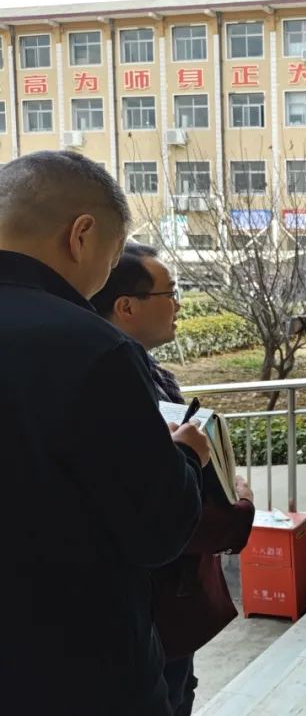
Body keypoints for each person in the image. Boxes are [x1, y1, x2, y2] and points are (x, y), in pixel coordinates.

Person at [0, 151, 210, 715]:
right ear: (82, 235)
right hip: (78, 665)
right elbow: (158, 529)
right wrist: (185, 459)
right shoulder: (90, 346)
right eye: (114, 253)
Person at [91, 243, 256, 716]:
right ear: (127, 306)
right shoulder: (116, 387)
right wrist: (237, 508)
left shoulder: (149, 372)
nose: (179, 305)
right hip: (154, 595)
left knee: (180, 687)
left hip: (174, 596)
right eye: (170, 293)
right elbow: (153, 499)